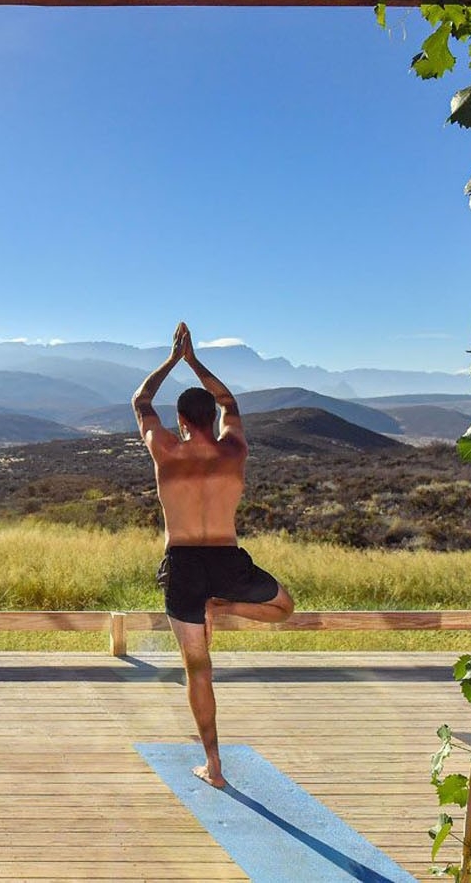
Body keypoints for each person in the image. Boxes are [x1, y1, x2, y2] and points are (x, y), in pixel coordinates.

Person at [132, 322, 295, 789]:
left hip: (183, 564)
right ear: (213, 420)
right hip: (226, 560)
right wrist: (196, 362)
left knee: (199, 669)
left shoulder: (165, 451)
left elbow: (141, 402)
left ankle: (214, 766)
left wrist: (171, 359)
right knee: (284, 609)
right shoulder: (234, 451)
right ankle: (220, 605)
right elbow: (231, 403)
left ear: (182, 422)